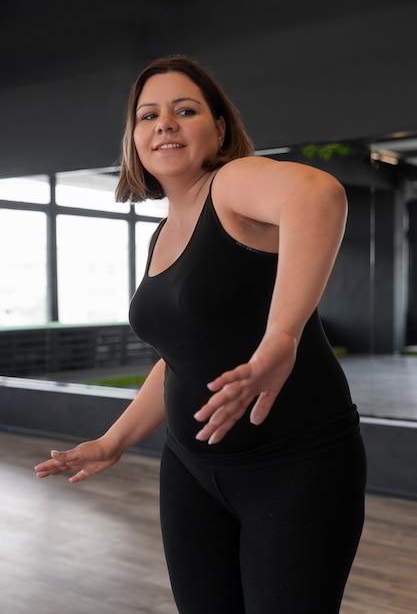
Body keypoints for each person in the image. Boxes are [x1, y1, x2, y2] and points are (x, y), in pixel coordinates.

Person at [35, 55, 367, 613]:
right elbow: (179, 358)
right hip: (191, 470)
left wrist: (281, 338)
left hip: (294, 468)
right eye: (148, 115)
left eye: (184, 110)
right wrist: (112, 441)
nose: (163, 123)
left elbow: (319, 194)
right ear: (134, 140)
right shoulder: (162, 233)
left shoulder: (231, 184)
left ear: (217, 129)